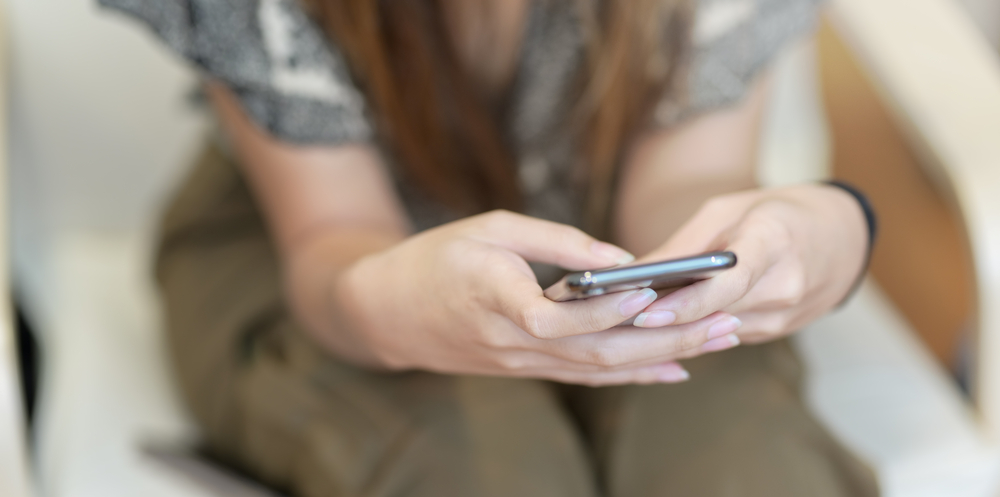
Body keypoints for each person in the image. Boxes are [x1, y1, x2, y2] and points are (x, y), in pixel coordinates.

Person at [102, 0, 880, 495]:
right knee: (480, 466)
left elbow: (687, 181)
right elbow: (330, 239)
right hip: (297, 250)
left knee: (744, 464)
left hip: (608, 240)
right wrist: (389, 309)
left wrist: (828, 227)